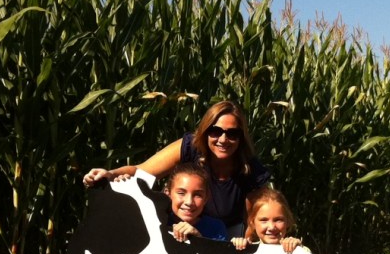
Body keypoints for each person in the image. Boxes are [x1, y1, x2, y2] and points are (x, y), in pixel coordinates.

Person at [82, 100, 270, 237]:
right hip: (178, 226)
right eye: (215, 131)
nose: (223, 139)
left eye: (232, 133)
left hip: (221, 235)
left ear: (241, 137)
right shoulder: (190, 146)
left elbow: (253, 223)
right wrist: (110, 174)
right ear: (205, 132)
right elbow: (142, 171)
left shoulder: (251, 170)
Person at [164, 163, 228, 242]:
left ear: (206, 198)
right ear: (168, 194)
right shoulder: (157, 222)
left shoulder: (216, 228)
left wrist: (198, 239)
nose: (189, 202)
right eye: (181, 193)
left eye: (197, 195)